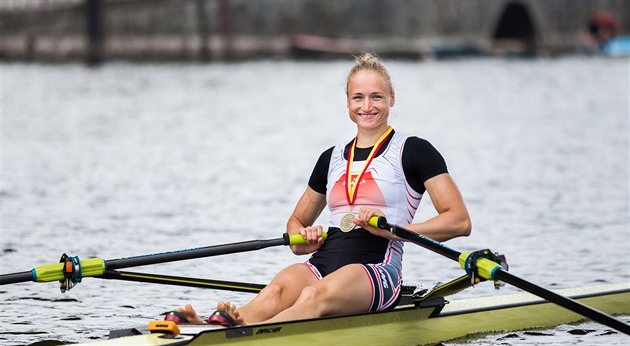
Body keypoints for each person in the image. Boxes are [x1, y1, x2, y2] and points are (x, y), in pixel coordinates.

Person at [173, 53, 472, 326]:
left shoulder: (415, 151)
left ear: (392, 99)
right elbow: (295, 227)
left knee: (311, 297)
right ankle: (212, 328)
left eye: (376, 97)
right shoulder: (330, 157)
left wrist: (395, 230)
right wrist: (305, 238)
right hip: (322, 262)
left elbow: (459, 220)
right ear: (347, 103)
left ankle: (247, 334)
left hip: (377, 269)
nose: (367, 106)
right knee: (274, 293)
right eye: (358, 97)